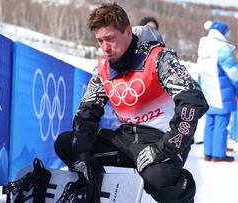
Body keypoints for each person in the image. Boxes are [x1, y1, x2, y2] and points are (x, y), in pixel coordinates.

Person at [54, 3, 208, 203]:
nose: (105, 47)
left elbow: (193, 102)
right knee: (67, 144)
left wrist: (164, 148)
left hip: (162, 138)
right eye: (100, 41)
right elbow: (87, 111)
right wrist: (83, 154)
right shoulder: (103, 66)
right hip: (126, 137)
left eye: (109, 39)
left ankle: (184, 196)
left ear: (127, 32)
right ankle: (95, 190)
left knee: (157, 179)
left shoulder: (159, 58)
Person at [197, 20, 238, 162]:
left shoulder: (203, 49)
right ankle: (219, 155)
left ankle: (208, 153)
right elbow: (233, 73)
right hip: (222, 92)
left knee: (210, 122)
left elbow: (200, 75)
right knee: (221, 123)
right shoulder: (221, 49)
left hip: (209, 92)